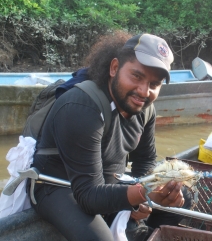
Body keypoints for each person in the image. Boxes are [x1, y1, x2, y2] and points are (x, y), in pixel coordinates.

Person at [30, 32, 192, 241]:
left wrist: (147, 199)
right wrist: (140, 195)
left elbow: (145, 160)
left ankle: (140, 233)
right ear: (114, 68)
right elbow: (88, 195)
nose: (144, 91)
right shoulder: (82, 106)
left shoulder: (144, 110)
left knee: (183, 200)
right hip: (61, 185)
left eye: (154, 84)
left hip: (108, 183)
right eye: (137, 76)